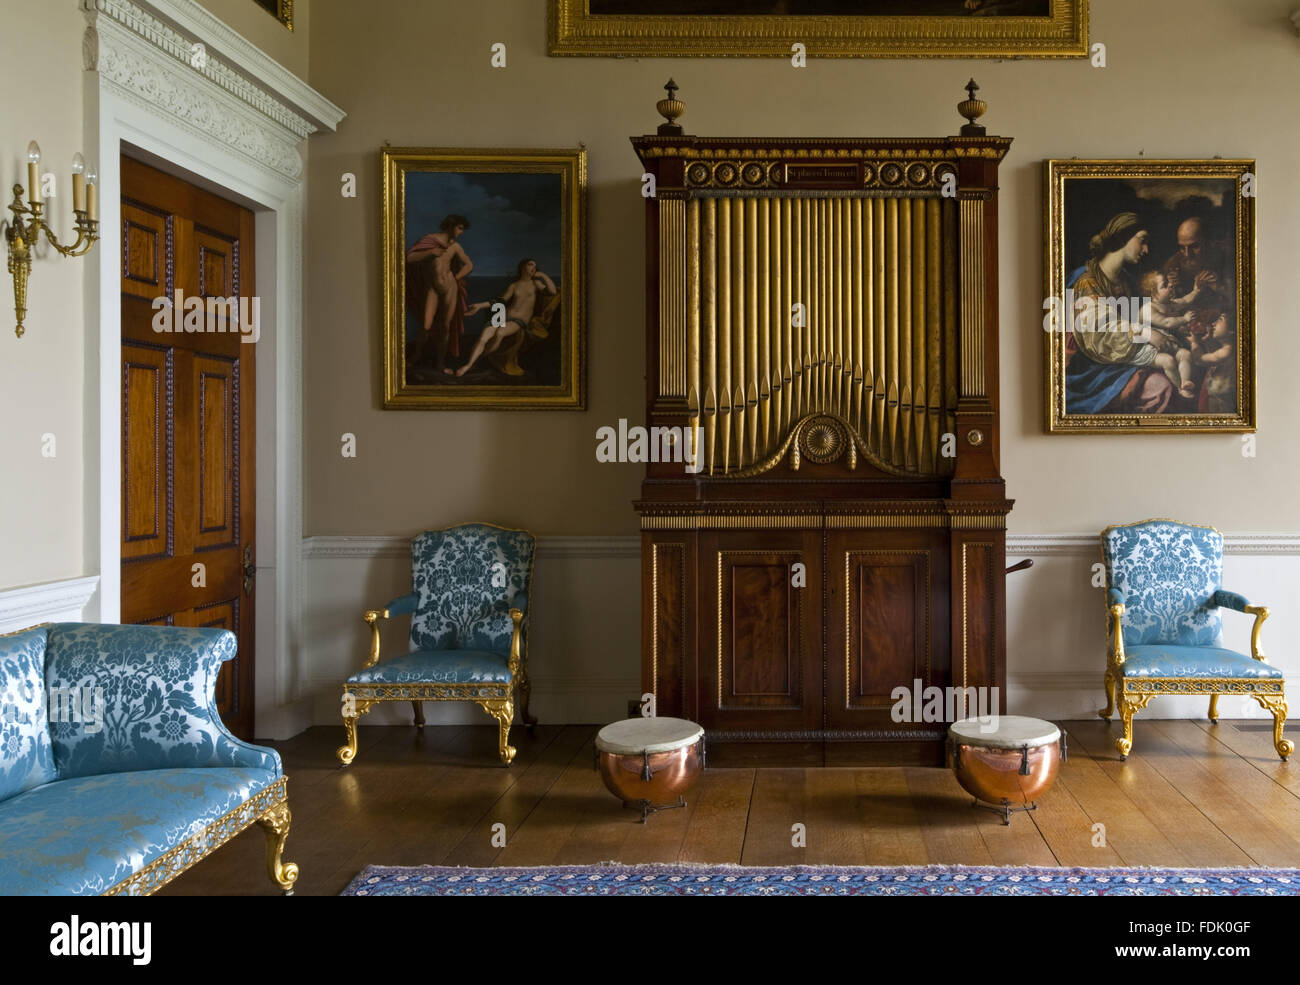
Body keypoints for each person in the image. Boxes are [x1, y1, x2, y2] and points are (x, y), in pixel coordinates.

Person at [1065, 212, 1173, 414]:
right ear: (1123, 237)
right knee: (1160, 385)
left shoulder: (1126, 280)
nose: (1146, 249)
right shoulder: (1086, 281)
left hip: (1119, 361)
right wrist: (1146, 334)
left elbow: (1140, 317)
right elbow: (1097, 333)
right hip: (1086, 372)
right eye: (1142, 241)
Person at [455, 259, 558, 377]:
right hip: (502, 316)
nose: (533, 267)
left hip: (518, 321)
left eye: (535, 265)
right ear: (523, 267)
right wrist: (480, 306)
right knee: (484, 336)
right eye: (530, 264)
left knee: (500, 333)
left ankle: (476, 361)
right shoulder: (514, 285)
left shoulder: (536, 284)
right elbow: (500, 301)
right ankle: (469, 364)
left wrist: (542, 275)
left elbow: (553, 292)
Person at [406, 214, 474, 374]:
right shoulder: (430, 240)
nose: (461, 232)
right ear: (451, 225)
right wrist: (430, 252)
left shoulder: (455, 247)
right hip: (432, 288)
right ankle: (416, 355)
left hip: (450, 288)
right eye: (460, 228)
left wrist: (456, 278)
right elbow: (410, 258)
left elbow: (469, 264)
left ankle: (440, 364)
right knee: (425, 325)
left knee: (445, 326)